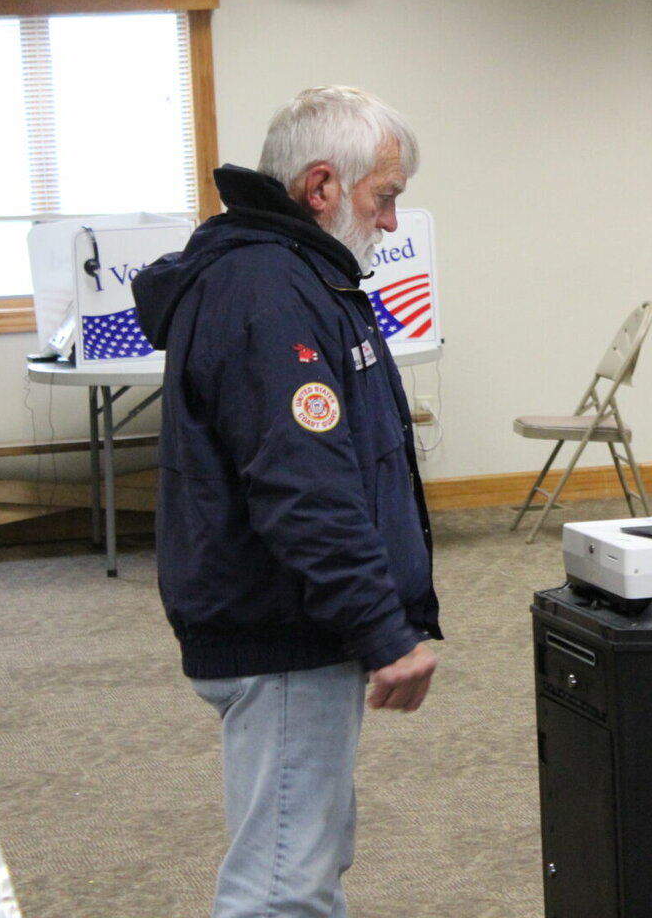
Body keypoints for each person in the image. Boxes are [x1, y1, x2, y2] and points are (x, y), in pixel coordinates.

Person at [132, 85, 440, 917]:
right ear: (320, 187)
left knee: (306, 860)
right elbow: (303, 485)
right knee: (281, 890)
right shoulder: (269, 292)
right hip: (285, 630)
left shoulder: (294, 276)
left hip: (296, 624)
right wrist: (383, 631)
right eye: (384, 198)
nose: (389, 222)